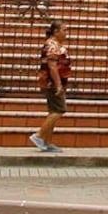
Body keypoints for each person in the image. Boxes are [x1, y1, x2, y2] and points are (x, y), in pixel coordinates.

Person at [32, 21, 71, 154]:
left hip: (52, 82)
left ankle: (47, 143)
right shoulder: (52, 45)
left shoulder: (54, 44)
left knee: (52, 111)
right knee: (60, 109)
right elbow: (52, 66)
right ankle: (39, 136)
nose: (66, 33)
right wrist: (58, 84)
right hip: (52, 83)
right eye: (64, 30)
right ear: (56, 32)